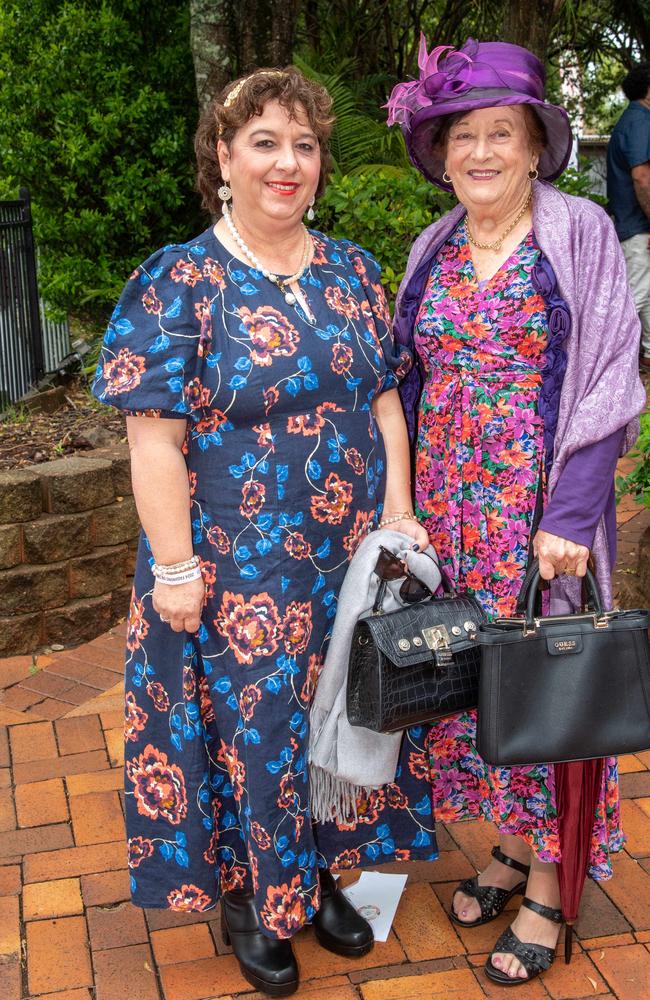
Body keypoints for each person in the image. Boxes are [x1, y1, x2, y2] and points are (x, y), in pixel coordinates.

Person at [93, 67, 434, 998]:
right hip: (233, 570)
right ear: (224, 160)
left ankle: (319, 873)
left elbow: (383, 398)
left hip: (340, 563)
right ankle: (250, 898)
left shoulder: (354, 270)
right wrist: (174, 566)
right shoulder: (179, 282)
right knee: (252, 732)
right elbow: (153, 439)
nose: (289, 164)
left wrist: (397, 515)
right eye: (265, 143)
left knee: (332, 719)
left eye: (305, 145)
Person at [386, 38, 645, 987]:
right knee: (476, 689)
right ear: (443, 153)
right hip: (450, 511)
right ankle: (503, 845)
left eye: (503, 133)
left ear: (537, 145)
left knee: (546, 686)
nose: (482, 152)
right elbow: (407, 381)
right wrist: (401, 499)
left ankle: (546, 881)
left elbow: (612, 374)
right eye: (465, 136)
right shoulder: (435, 246)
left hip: (536, 514)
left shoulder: (576, 233)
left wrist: (572, 518)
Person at [607, 61, 650, 369]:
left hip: (633, 223)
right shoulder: (640, 121)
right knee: (637, 295)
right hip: (637, 225)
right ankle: (615, 365)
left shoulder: (634, 119)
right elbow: (642, 177)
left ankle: (646, 354)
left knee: (644, 291)